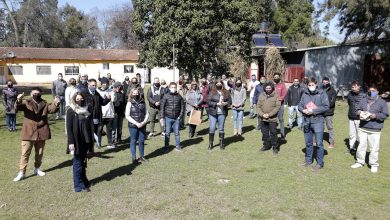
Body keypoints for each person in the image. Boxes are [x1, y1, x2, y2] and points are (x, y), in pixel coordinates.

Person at [13, 87, 60, 182]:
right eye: (34, 93)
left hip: (41, 131)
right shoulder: (26, 102)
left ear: (41, 94)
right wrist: (18, 100)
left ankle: (37, 169)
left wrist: (56, 103)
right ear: (31, 94)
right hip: (28, 132)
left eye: (38, 93)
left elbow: (52, 110)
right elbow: (17, 108)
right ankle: (22, 172)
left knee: (39, 153)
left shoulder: (45, 103)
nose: (36, 95)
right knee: (25, 153)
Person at [351, 85, 389, 173]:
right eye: (370, 91)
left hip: (375, 129)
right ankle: (360, 162)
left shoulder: (382, 102)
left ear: (377, 92)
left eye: (374, 91)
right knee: (361, 146)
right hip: (363, 127)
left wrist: (375, 116)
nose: (371, 92)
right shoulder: (363, 100)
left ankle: (373, 164)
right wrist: (359, 113)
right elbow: (357, 109)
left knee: (374, 148)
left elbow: (385, 115)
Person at [298, 77, 329, 172]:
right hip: (307, 121)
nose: (311, 86)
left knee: (319, 143)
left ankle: (320, 163)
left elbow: (326, 106)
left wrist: (313, 111)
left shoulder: (322, 93)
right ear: (307, 85)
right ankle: (308, 160)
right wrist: (303, 110)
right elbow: (300, 105)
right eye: (309, 85)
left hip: (318, 121)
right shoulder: (305, 94)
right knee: (308, 143)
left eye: (312, 85)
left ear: (316, 84)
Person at [66, 92, 95, 192]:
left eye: (81, 98)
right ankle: (77, 185)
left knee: (83, 162)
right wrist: (71, 142)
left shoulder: (87, 110)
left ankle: (84, 180)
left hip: (86, 139)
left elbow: (90, 125)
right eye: (77, 99)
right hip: (76, 140)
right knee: (77, 162)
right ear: (74, 100)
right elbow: (69, 128)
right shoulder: (71, 111)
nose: (80, 100)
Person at [84, 79, 110, 148]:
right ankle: (88, 148)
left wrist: (107, 99)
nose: (94, 86)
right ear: (88, 85)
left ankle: (92, 148)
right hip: (88, 117)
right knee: (88, 133)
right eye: (92, 85)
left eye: (95, 85)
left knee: (95, 132)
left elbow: (102, 103)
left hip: (96, 117)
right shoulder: (84, 93)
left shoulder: (96, 93)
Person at [126, 88, 149, 164]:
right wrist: (136, 123)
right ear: (131, 94)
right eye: (134, 93)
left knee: (141, 140)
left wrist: (143, 122)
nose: (136, 94)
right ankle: (134, 158)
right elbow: (127, 116)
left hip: (142, 124)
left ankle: (142, 156)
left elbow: (146, 113)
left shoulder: (143, 102)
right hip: (133, 125)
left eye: (137, 93)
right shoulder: (129, 103)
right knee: (133, 141)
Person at [160, 82, 185, 152]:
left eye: (174, 87)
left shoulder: (179, 97)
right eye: (172, 87)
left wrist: (180, 116)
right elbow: (162, 107)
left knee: (177, 133)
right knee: (167, 133)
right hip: (168, 118)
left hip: (177, 118)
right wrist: (162, 117)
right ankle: (166, 146)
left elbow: (182, 107)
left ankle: (178, 146)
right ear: (169, 88)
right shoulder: (166, 96)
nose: (173, 88)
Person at [257, 82, 281, 154]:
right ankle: (266, 145)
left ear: (272, 88)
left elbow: (277, 107)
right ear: (264, 88)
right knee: (264, 133)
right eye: (267, 88)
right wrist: (262, 114)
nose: (268, 89)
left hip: (272, 119)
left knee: (273, 133)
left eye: (269, 88)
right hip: (263, 118)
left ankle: (275, 147)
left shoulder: (276, 96)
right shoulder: (261, 95)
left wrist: (269, 115)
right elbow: (258, 106)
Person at [207, 80, 232, 150]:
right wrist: (216, 104)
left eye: (220, 83)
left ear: (222, 84)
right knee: (212, 128)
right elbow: (208, 101)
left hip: (222, 113)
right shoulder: (212, 92)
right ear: (215, 85)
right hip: (213, 113)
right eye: (217, 84)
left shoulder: (226, 92)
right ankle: (210, 143)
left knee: (221, 128)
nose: (218, 85)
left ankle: (221, 144)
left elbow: (230, 101)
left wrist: (226, 103)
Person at [347, 81, 366, 152]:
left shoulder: (364, 95)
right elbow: (349, 103)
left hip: (360, 118)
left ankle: (361, 149)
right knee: (351, 134)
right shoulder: (349, 94)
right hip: (351, 117)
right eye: (352, 87)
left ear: (359, 86)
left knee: (360, 135)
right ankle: (352, 148)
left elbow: (365, 106)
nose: (353, 88)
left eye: (355, 87)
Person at [97, 77, 115, 149]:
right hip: (101, 114)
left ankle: (110, 143)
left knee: (109, 129)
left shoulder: (111, 91)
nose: (105, 85)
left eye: (106, 83)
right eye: (104, 83)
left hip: (109, 114)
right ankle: (98, 143)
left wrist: (112, 95)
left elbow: (113, 100)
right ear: (101, 84)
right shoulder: (97, 91)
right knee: (99, 129)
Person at [322, 77, 337, 148]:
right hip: (320, 112)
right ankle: (316, 140)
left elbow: (332, 102)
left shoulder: (333, 91)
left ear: (329, 82)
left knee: (330, 127)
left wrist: (324, 106)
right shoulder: (320, 89)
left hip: (329, 112)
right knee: (318, 126)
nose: (325, 83)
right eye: (324, 82)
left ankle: (332, 142)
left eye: (326, 82)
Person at [273, 73, 287, 140]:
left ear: (279, 78)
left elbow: (284, 95)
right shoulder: (272, 85)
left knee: (281, 119)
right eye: (275, 77)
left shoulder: (282, 85)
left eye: (277, 77)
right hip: (272, 106)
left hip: (280, 105)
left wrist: (278, 100)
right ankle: (273, 134)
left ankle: (282, 135)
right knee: (273, 120)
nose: (276, 78)